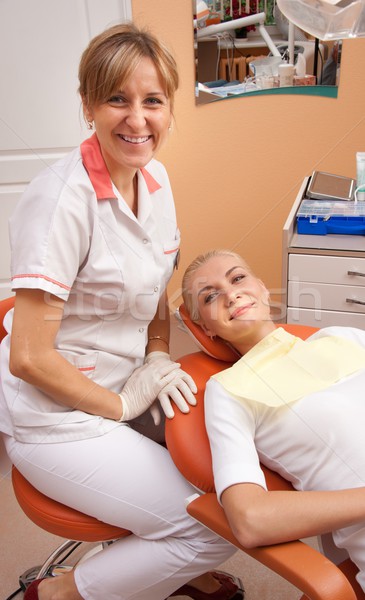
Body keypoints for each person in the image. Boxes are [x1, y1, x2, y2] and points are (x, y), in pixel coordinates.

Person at [0, 25, 244, 600]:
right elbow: (30, 357)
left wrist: (158, 357)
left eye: (152, 101)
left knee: (235, 460)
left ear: (170, 108)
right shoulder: (61, 201)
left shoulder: (155, 180)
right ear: (87, 104)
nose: (138, 120)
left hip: (125, 380)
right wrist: (120, 404)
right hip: (59, 418)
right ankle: (59, 593)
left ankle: (156, 562)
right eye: (117, 99)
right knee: (218, 524)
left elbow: (155, 286)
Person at [182, 248, 365, 592]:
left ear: (264, 289)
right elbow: (250, 519)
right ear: (206, 328)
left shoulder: (343, 337)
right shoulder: (229, 391)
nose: (231, 293)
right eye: (210, 296)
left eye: (238, 278)